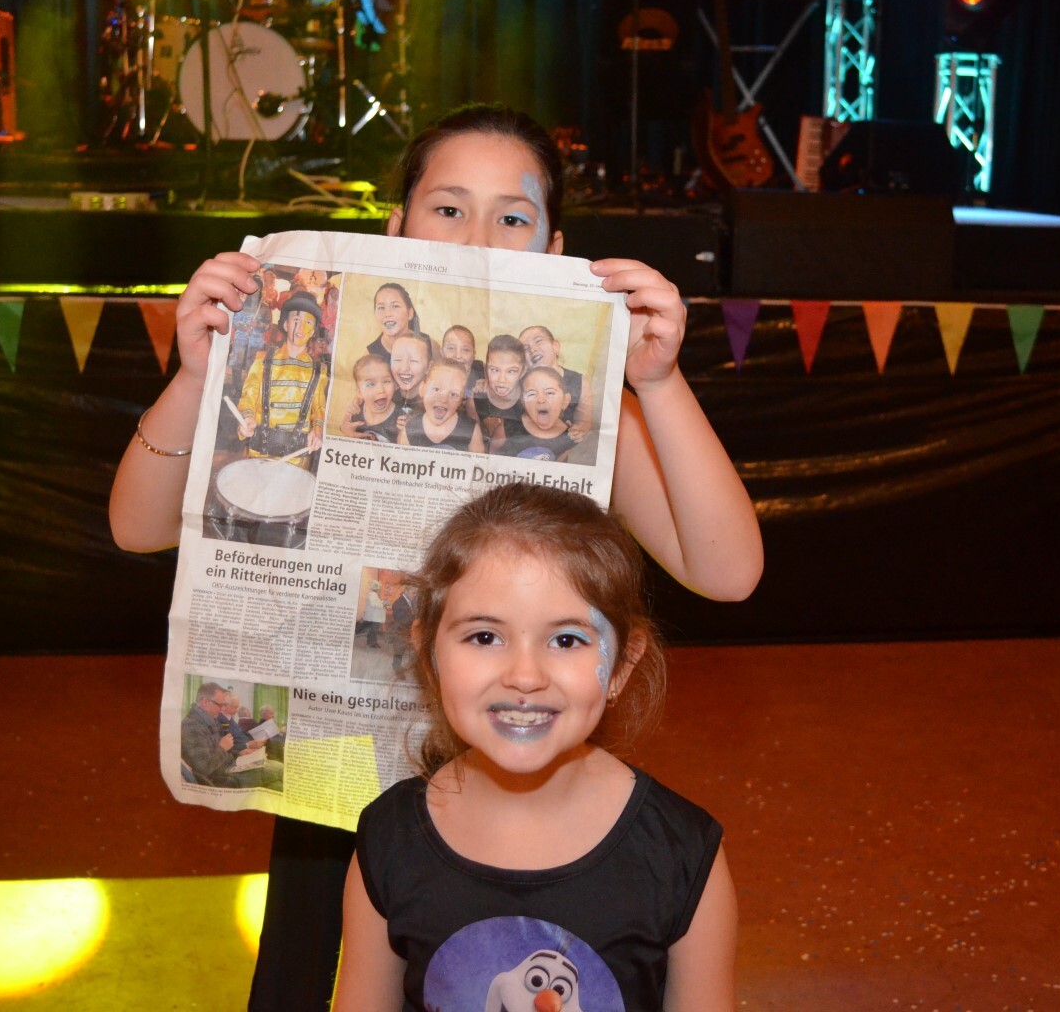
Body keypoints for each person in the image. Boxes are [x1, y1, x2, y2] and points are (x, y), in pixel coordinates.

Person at [108, 103, 762, 1011]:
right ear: (397, 228)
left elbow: (728, 572)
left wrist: (657, 381)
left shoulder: (569, 407)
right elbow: (135, 528)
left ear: (554, 248)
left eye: (512, 216)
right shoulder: (338, 371)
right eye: (449, 208)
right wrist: (194, 373)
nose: (478, 238)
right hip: (341, 787)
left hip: (519, 786)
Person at [334, 483, 736, 1010]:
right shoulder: (389, 840)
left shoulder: (681, 855)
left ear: (620, 666)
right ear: (429, 655)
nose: (525, 676)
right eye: (484, 637)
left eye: (566, 640)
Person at [236, 291, 328, 468]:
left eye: (308, 322)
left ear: (313, 331)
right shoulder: (262, 360)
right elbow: (248, 398)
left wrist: (317, 430)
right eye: (296, 320)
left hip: (297, 460)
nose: (301, 328)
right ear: (286, 324)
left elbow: (319, 409)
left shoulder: (319, 370)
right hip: (258, 455)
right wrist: (246, 419)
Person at [520, 324, 593, 438]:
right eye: (525, 348)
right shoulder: (519, 383)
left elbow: (585, 421)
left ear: (555, 347)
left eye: (538, 341)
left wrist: (578, 430)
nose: (532, 349)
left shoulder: (579, 382)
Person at [396, 359, 484, 452]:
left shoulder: (472, 431)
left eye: (454, 394)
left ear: (460, 400)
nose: (443, 400)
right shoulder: (409, 429)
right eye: (436, 389)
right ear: (422, 389)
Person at [498, 365, 576, 461]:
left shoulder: (571, 436)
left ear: (565, 401)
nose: (541, 400)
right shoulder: (508, 425)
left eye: (550, 393)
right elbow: (492, 454)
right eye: (531, 394)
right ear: (523, 402)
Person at [476, 333, 527, 449]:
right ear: (485, 369)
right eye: (494, 370)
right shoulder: (476, 397)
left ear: (522, 372)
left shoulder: (528, 401)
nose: (502, 380)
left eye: (511, 371)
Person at [338, 354, 402, 442]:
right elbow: (345, 426)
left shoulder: (401, 419)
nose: (380, 390)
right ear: (360, 393)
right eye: (370, 384)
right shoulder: (356, 410)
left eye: (386, 381)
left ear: (395, 385)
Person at [366, 282, 422, 358]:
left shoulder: (428, 344)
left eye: (395, 306)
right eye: (381, 308)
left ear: (410, 313)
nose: (388, 314)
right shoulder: (370, 356)